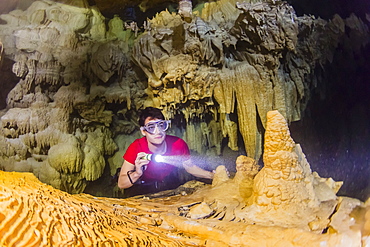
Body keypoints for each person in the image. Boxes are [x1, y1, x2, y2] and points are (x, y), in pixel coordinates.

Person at [118, 107, 214, 197]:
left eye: (161, 125)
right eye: (151, 127)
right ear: (143, 131)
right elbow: (121, 183)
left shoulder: (178, 144)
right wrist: (137, 173)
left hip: (168, 184)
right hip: (143, 187)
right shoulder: (137, 147)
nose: (158, 131)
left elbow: (190, 167)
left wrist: (212, 175)